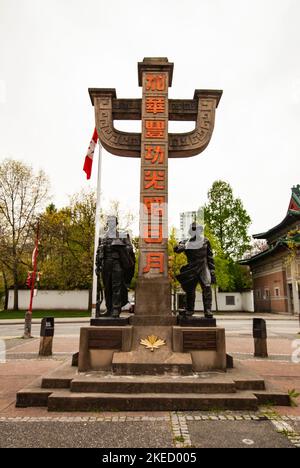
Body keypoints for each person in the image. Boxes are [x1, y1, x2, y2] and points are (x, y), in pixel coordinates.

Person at [96, 216, 135, 318]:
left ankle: (116, 309)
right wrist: (97, 266)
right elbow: (98, 252)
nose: (111, 224)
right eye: (109, 222)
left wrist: (120, 245)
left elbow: (130, 248)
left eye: (113, 222)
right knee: (107, 288)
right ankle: (109, 309)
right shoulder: (103, 237)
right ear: (107, 224)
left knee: (116, 287)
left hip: (117, 263)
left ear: (117, 224)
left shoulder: (122, 235)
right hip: (105, 264)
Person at [174, 222, 216, 318]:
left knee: (207, 288)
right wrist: (181, 247)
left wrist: (212, 269)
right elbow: (176, 249)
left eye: (197, 229)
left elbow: (210, 256)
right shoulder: (186, 242)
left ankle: (208, 310)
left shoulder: (206, 241)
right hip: (192, 268)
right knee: (190, 290)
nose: (195, 231)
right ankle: (189, 310)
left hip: (204, 267)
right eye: (193, 229)